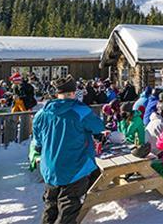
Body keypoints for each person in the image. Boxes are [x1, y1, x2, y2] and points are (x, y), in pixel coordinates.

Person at [32, 75, 105, 224]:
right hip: (75, 167)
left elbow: (37, 141)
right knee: (68, 208)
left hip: (50, 167)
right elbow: (98, 126)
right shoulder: (80, 110)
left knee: (50, 205)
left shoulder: (42, 113)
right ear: (73, 93)